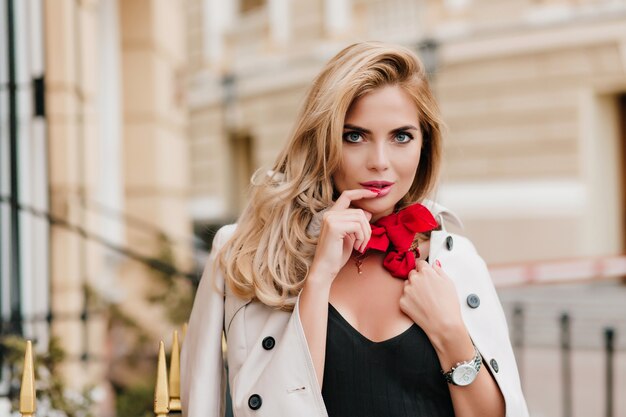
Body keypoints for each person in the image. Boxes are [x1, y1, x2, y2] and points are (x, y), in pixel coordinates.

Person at [181, 41, 529, 417]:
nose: (379, 162)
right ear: (323, 139)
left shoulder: (458, 262)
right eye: (354, 136)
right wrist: (318, 278)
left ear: (425, 145)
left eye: (401, 137)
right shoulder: (246, 256)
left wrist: (450, 333)